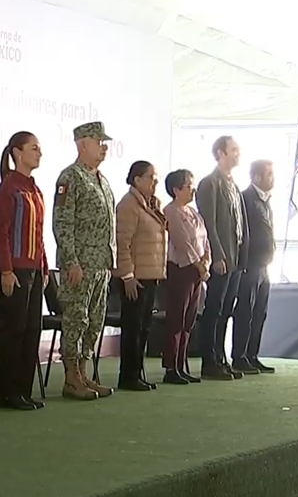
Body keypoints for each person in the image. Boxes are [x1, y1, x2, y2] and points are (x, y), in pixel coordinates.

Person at [52, 121, 117, 401]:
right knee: (76, 319)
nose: (103, 147)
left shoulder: (101, 179)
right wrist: (71, 261)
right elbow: (62, 223)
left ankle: (83, 372)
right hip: (79, 265)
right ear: (82, 144)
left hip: (100, 264)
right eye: (98, 141)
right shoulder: (71, 177)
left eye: (104, 142)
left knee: (94, 321)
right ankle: (71, 378)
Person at [0, 131, 49, 411]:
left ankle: (24, 390)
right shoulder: (9, 188)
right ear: (17, 153)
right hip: (16, 269)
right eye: (33, 148)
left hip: (35, 269)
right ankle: (8, 392)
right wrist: (5, 269)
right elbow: (1, 232)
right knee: (13, 330)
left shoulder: (34, 188)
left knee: (32, 330)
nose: (39, 153)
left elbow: (38, 234)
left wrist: (45, 266)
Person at [194, 135, 246, 381]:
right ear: (220, 154)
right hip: (221, 258)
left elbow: (239, 223)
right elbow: (208, 224)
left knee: (226, 310)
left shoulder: (233, 184)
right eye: (233, 150)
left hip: (235, 259)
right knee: (214, 310)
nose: (238, 153)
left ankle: (221, 358)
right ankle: (209, 360)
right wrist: (217, 254)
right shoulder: (209, 183)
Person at [113, 161, 167, 392]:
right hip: (135, 277)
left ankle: (137, 373)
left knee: (144, 327)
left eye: (155, 177)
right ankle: (128, 376)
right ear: (136, 179)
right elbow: (122, 242)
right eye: (150, 177)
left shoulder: (151, 204)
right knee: (133, 328)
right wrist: (127, 275)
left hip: (150, 273)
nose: (155, 181)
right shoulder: (129, 205)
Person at [162, 169, 209, 384]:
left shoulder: (193, 212)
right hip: (181, 269)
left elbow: (204, 240)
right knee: (176, 319)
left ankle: (182, 364)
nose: (193, 189)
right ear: (176, 190)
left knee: (189, 319)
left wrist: (206, 260)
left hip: (197, 271)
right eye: (189, 186)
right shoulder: (170, 211)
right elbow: (182, 242)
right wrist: (199, 266)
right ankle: (171, 367)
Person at [232, 160, 277, 374]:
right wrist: (244, 262)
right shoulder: (246, 198)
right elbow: (241, 232)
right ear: (257, 177)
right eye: (269, 173)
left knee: (260, 312)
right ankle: (239, 356)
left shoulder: (266, 200)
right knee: (245, 311)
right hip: (250, 265)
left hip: (264, 265)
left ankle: (252, 355)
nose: (272, 177)